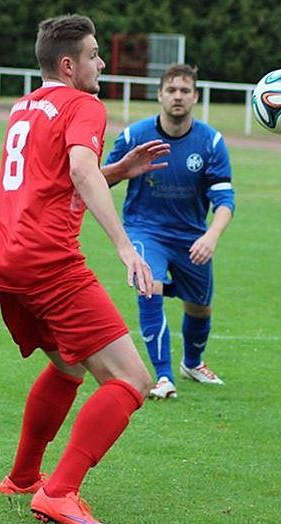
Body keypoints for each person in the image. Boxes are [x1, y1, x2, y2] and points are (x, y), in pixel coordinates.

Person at [0, 14, 154, 524]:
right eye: (96, 56)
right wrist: (125, 246)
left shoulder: (26, 105)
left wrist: (116, 172)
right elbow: (76, 168)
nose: (102, 64)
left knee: (68, 365)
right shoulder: (84, 105)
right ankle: (59, 492)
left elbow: (52, 176)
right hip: (46, 261)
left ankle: (23, 477)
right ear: (68, 64)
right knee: (131, 380)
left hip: (0, 255)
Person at [102, 64, 235, 398]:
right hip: (145, 229)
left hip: (192, 235)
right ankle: (163, 376)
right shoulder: (135, 136)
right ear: (160, 94)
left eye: (185, 90)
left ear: (195, 97)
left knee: (200, 308)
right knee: (150, 288)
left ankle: (192, 363)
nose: (178, 96)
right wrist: (121, 168)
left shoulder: (211, 142)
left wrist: (211, 236)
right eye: (172, 90)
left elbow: (224, 199)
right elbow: (99, 178)